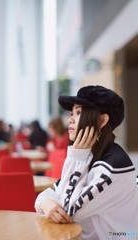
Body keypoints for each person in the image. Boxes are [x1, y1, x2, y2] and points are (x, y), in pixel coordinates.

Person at [35, 85, 138, 240]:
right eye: (71, 113)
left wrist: (76, 157)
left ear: (102, 120)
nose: (70, 119)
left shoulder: (113, 166)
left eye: (78, 113)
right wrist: (45, 204)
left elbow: (68, 211)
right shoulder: (90, 155)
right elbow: (54, 192)